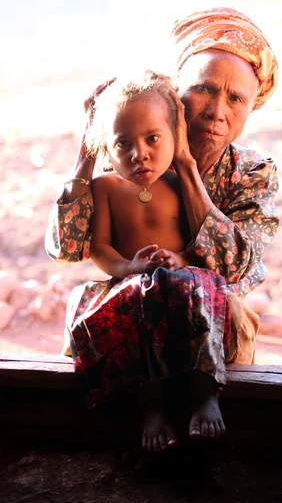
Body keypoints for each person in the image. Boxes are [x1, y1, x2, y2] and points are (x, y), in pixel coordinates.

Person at [45, 6, 280, 444]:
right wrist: (89, 149)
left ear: (251, 107)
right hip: (139, 307)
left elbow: (233, 266)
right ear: (175, 96)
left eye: (236, 99)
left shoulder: (252, 172)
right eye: (204, 90)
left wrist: (189, 169)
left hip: (209, 323)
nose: (215, 111)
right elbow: (67, 249)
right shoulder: (135, 160)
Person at [61, 71, 232, 453]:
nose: (140, 154)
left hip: (181, 278)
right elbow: (100, 249)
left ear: (176, 135)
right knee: (132, 302)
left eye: (153, 138)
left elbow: (198, 244)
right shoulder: (105, 187)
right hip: (132, 283)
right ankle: (150, 405)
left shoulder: (180, 181)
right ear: (104, 146)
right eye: (123, 143)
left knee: (196, 287)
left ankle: (206, 392)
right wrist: (129, 269)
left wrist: (181, 257)